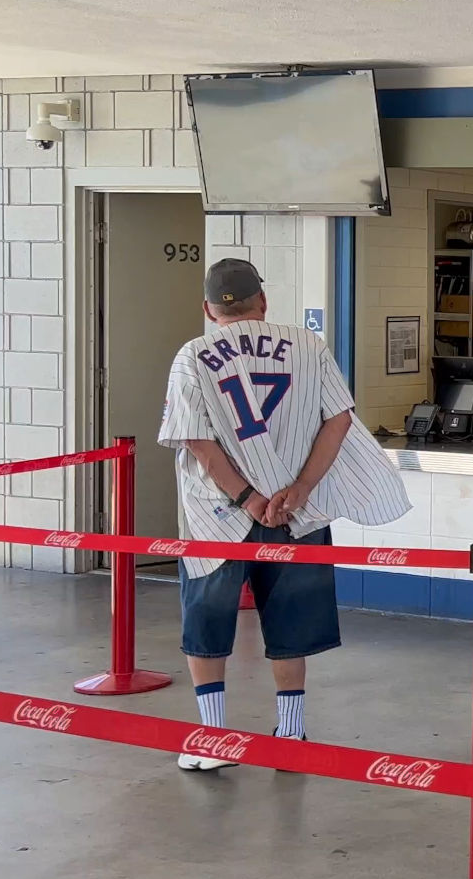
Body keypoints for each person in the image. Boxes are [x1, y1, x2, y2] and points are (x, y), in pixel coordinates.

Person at [158, 258, 411, 771]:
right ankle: (290, 735)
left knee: (206, 618)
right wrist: (299, 489)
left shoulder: (194, 354)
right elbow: (339, 418)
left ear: (208, 309)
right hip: (297, 510)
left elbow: (197, 441)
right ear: (263, 301)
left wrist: (247, 498)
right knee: (290, 617)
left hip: (217, 513)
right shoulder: (307, 345)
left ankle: (213, 738)